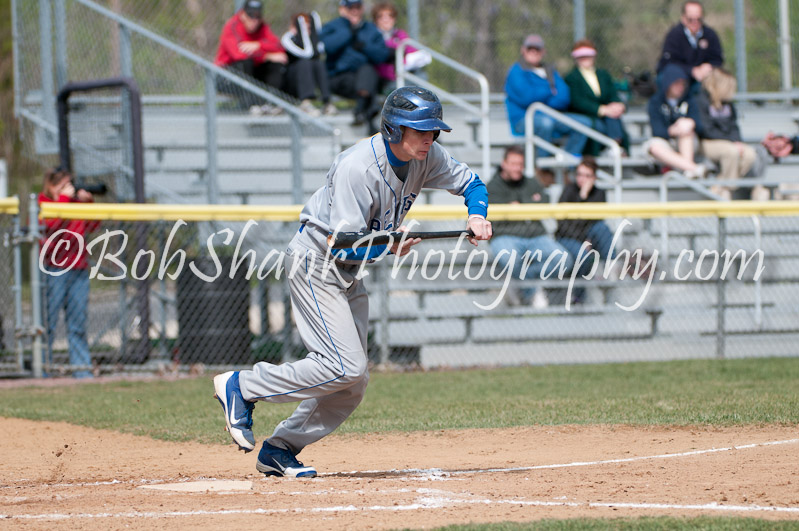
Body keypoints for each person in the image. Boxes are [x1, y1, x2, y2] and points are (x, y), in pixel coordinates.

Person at [212, 86, 492, 478]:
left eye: (433, 131)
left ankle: (280, 448)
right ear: (394, 129)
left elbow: (473, 184)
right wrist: (390, 246)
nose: (429, 138)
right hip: (317, 263)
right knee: (344, 365)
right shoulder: (357, 167)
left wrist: (476, 216)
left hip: (349, 272)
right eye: (420, 130)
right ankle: (244, 386)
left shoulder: (427, 156)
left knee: (352, 381)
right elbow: (342, 247)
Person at [487, 145, 572, 308]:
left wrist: (518, 208)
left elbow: (544, 202)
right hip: (506, 236)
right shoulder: (492, 187)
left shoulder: (531, 182)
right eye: (513, 164)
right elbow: (492, 221)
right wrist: (526, 206)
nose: (517, 168)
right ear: (503, 163)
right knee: (509, 259)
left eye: (520, 164)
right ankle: (532, 292)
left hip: (535, 235)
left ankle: (523, 286)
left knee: (563, 259)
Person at [39, 167, 100, 378]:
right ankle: (43, 369)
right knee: (47, 323)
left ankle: (81, 370)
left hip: (79, 269)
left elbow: (93, 225)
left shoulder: (75, 204)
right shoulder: (43, 201)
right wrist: (63, 198)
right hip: (53, 268)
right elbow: (51, 225)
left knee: (77, 324)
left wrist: (88, 202)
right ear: (52, 186)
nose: (69, 189)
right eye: (63, 185)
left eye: (69, 185)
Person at [504, 34, 592, 158]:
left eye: (537, 49)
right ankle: (543, 168)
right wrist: (550, 89)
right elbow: (527, 98)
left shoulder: (550, 70)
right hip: (524, 119)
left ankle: (569, 165)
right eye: (530, 48)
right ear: (523, 50)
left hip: (551, 115)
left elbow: (564, 96)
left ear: (543, 51)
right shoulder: (516, 71)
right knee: (546, 123)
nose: (534, 52)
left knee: (584, 123)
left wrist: (542, 98)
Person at [321, 0, 391, 133]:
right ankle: (368, 115)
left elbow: (382, 55)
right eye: (350, 7)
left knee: (368, 71)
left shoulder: (370, 29)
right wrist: (349, 31)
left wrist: (365, 46)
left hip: (364, 78)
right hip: (339, 78)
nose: (354, 11)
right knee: (368, 81)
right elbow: (327, 47)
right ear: (342, 9)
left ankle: (360, 110)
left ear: (362, 8)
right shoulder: (333, 26)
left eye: (357, 7)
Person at [554, 157, 615, 303]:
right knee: (583, 256)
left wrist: (588, 240)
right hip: (567, 238)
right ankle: (578, 296)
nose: (582, 179)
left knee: (603, 229)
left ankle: (610, 270)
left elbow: (595, 222)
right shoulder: (568, 191)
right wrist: (582, 197)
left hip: (587, 237)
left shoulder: (599, 194)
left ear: (594, 178)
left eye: (587, 175)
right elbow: (564, 225)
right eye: (580, 174)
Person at [214, 0, 288, 115]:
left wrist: (259, 44)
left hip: (252, 74)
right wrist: (267, 55)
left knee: (276, 64)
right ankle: (252, 106)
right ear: (242, 14)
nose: (254, 20)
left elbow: (279, 47)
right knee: (246, 63)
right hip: (226, 77)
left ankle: (272, 103)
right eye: (250, 16)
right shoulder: (232, 26)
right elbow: (239, 55)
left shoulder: (262, 27)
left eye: (257, 16)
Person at [696, 68, 756, 200]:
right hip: (707, 142)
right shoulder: (701, 101)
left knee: (750, 154)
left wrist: (737, 141)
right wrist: (731, 142)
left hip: (728, 141)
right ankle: (726, 188)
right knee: (731, 152)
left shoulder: (728, 104)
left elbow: (734, 126)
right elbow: (706, 130)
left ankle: (721, 186)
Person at [564, 39, 630, 156]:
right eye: (582, 56)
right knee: (599, 126)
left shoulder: (603, 75)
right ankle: (609, 149)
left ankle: (615, 147)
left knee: (614, 117)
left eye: (588, 55)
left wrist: (618, 105)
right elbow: (577, 101)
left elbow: (612, 94)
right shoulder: (572, 78)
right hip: (588, 115)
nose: (585, 59)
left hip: (608, 116)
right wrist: (601, 110)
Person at [645, 63, 707, 179]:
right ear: (668, 83)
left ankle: (687, 170)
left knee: (686, 131)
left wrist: (690, 123)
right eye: (676, 83)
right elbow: (657, 131)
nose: (680, 87)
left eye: (683, 84)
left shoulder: (690, 100)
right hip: (666, 142)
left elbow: (701, 127)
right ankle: (693, 169)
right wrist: (672, 130)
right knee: (654, 147)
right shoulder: (655, 102)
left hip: (688, 143)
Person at [280, 11, 336, 116]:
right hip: (290, 83)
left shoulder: (313, 41)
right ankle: (306, 103)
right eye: (303, 27)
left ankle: (327, 102)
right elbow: (307, 53)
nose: (307, 31)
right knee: (304, 63)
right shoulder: (288, 38)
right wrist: (303, 35)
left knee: (318, 63)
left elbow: (319, 51)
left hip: (307, 80)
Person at [656, 1, 723, 87]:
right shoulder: (674, 35)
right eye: (690, 19)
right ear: (683, 18)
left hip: (703, 80)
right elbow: (668, 62)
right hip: (680, 78)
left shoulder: (710, 35)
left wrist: (708, 67)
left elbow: (718, 59)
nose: (695, 23)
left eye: (699, 19)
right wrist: (692, 71)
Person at [372, 2, 430, 94]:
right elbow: (380, 65)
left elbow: (411, 50)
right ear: (375, 19)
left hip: (402, 75)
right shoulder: (373, 37)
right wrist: (400, 65)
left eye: (390, 16)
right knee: (407, 87)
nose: (386, 19)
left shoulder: (399, 34)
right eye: (381, 16)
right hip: (386, 80)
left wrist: (406, 62)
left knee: (421, 76)